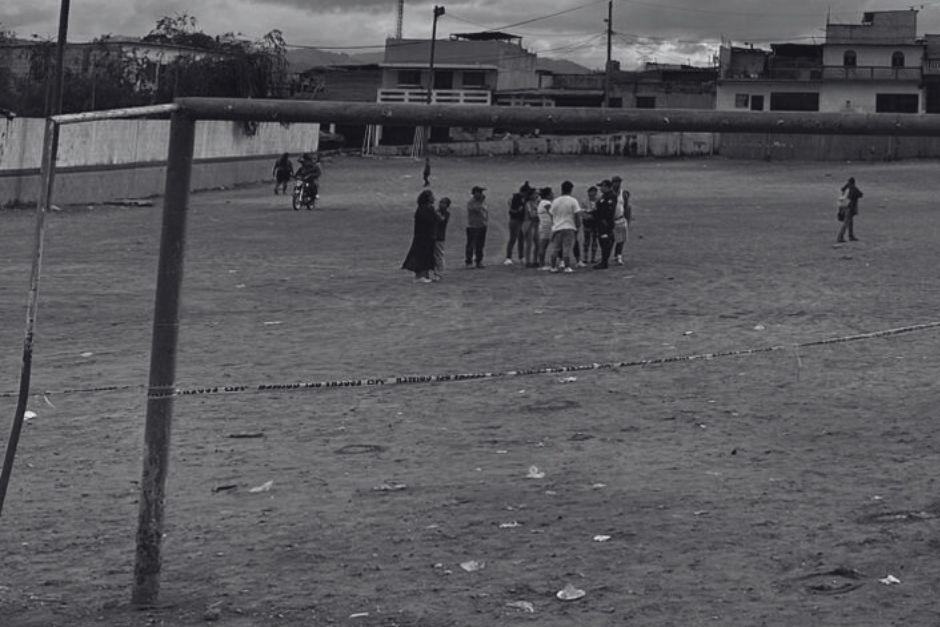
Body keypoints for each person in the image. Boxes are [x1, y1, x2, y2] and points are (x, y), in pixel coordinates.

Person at [402, 189, 440, 283]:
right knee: (423, 255)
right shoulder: (426, 209)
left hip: (424, 236)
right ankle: (420, 276)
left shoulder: (423, 208)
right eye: (432, 196)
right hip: (424, 236)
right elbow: (433, 220)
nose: (434, 198)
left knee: (425, 255)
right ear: (428, 198)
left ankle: (424, 275)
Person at [547, 180, 581, 273]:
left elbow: (551, 213)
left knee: (555, 248)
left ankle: (553, 266)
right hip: (569, 226)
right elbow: (577, 214)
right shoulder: (573, 201)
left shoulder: (555, 201)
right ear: (571, 190)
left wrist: (555, 223)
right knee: (567, 248)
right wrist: (578, 225)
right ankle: (567, 267)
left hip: (557, 227)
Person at [504, 181, 532, 265]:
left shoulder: (524, 198)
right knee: (513, 239)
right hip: (515, 220)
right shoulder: (516, 198)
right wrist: (518, 211)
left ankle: (521, 256)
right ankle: (508, 257)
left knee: (521, 239)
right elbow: (511, 211)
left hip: (522, 221)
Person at [593, 179, 617, 269]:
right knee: (603, 242)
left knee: (605, 242)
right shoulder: (604, 196)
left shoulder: (611, 196)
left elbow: (608, 211)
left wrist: (603, 220)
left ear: (607, 187)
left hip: (605, 224)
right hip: (601, 223)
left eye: (602, 186)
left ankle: (604, 262)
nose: (600, 188)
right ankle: (604, 260)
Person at [465, 186, 488, 268]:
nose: (482, 194)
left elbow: (485, 212)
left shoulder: (483, 202)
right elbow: (477, 209)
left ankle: (479, 261)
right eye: (479, 192)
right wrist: (481, 202)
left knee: (480, 245)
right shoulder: (471, 202)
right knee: (471, 245)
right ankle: (469, 262)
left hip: (482, 225)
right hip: (473, 226)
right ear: (475, 193)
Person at [611, 175, 632, 265]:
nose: (618, 184)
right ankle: (607, 256)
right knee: (611, 239)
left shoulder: (623, 194)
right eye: (616, 182)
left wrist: (627, 220)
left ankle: (618, 255)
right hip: (611, 219)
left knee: (621, 239)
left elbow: (626, 207)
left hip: (620, 218)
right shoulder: (610, 193)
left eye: (619, 182)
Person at [837, 177, 863, 243]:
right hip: (850, 208)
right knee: (846, 223)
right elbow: (860, 194)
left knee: (850, 222)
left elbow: (842, 190)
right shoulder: (853, 188)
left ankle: (851, 236)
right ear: (854, 183)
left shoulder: (846, 188)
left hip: (844, 207)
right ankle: (840, 237)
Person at [433, 196, 451, 281]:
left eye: (444, 203)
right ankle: (435, 272)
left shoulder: (446, 214)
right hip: (433, 236)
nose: (441, 204)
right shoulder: (436, 212)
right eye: (440, 202)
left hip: (440, 237)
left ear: (447, 205)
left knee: (439, 256)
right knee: (434, 256)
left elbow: (441, 220)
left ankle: (439, 273)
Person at [536, 187, 554, 270]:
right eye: (551, 193)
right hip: (546, 226)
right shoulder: (546, 203)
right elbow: (552, 213)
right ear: (547, 195)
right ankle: (542, 264)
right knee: (543, 246)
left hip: (543, 225)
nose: (553, 194)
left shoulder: (541, 202)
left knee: (543, 245)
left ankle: (541, 264)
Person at [522, 187, 541, 268]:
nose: (537, 195)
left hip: (535, 225)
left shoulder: (536, 203)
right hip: (529, 225)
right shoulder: (528, 204)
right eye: (535, 194)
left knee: (537, 244)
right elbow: (532, 215)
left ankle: (535, 260)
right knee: (529, 244)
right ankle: (528, 261)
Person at [581, 185, 599, 264]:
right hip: (587, 223)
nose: (591, 194)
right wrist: (588, 216)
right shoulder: (584, 201)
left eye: (593, 192)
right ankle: (585, 257)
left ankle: (593, 258)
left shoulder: (598, 201)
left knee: (594, 240)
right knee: (586, 241)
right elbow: (583, 212)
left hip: (595, 223)